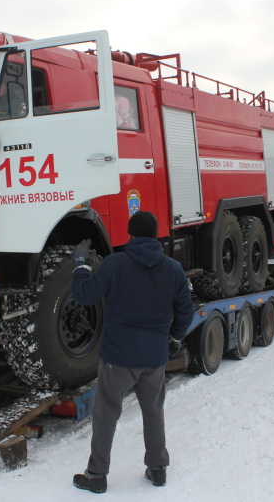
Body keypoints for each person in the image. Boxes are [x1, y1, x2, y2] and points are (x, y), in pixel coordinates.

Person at [70, 211, 193, 493]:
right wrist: (173, 338)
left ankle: (97, 475)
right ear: (155, 235)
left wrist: (80, 266)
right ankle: (158, 468)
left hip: (118, 357)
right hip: (154, 357)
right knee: (153, 411)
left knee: (106, 414)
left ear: (130, 234)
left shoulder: (115, 264)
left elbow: (84, 294)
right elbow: (185, 311)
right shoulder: (173, 268)